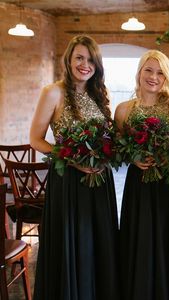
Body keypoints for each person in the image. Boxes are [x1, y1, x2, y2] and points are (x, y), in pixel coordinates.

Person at [30, 35, 119, 300]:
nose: (85, 64)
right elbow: (35, 139)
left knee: (96, 244)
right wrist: (69, 158)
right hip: (69, 181)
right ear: (68, 59)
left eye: (91, 60)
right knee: (73, 244)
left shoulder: (98, 95)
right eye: (79, 57)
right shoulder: (53, 92)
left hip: (100, 183)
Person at [114, 50, 169, 299]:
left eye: (160, 72)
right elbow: (116, 149)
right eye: (149, 70)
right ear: (139, 73)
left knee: (168, 237)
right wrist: (132, 157)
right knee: (141, 239)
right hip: (139, 186)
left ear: (166, 77)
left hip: (168, 183)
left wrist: (167, 156)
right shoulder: (123, 110)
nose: (153, 77)